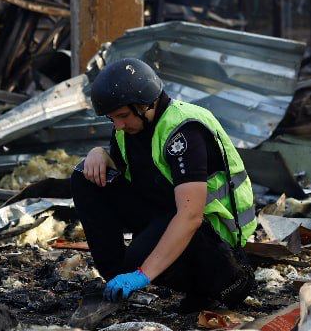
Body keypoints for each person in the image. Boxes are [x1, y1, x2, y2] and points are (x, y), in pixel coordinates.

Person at [71, 57, 256, 307]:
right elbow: (125, 174)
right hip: (167, 211)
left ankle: (225, 281)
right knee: (85, 177)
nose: (118, 125)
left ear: (146, 104)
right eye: (112, 118)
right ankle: (117, 281)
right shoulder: (130, 128)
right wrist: (98, 153)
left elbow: (191, 215)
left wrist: (143, 274)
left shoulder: (183, 131)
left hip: (213, 233)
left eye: (123, 116)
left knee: (139, 261)